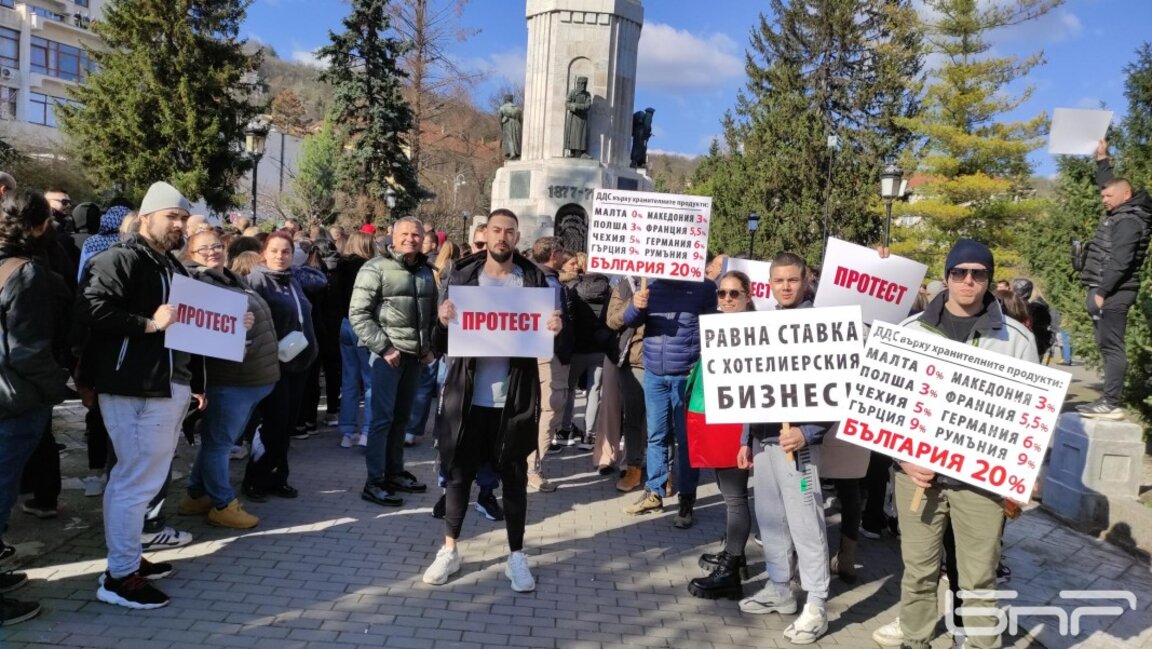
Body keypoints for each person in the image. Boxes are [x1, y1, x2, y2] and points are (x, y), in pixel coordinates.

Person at [873, 239, 1037, 649]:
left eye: (978, 273)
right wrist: (904, 458)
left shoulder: (1015, 338)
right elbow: (885, 406)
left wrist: (1025, 474)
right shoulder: (908, 331)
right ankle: (916, 640)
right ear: (946, 277)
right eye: (959, 272)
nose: (968, 280)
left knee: (979, 577)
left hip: (981, 484)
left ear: (988, 279)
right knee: (919, 572)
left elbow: (1033, 415)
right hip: (919, 480)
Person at [76, 181, 204, 609]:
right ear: (146, 216)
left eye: (184, 218)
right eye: (172, 216)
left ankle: (126, 560)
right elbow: (92, 308)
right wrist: (148, 324)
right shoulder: (119, 258)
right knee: (135, 481)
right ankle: (119, 577)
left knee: (136, 480)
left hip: (164, 385)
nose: (180, 224)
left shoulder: (171, 265)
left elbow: (189, 323)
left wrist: (226, 328)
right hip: (135, 385)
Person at [422, 209, 562, 592]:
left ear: (517, 237)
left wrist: (555, 328)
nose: (502, 237)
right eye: (496, 230)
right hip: (467, 398)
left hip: (513, 398)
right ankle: (449, 550)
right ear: (486, 234)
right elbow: (438, 344)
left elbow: (553, 342)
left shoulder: (533, 279)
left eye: (510, 232)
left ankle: (516, 556)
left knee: (514, 479)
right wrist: (442, 319)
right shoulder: (463, 275)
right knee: (458, 476)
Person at [735, 253, 833, 645]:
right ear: (770, 284)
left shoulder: (822, 326)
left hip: (799, 448)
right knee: (771, 519)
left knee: (807, 523)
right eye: (779, 281)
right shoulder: (762, 323)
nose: (787, 287)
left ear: (807, 280)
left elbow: (837, 388)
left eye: (793, 280)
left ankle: (817, 603)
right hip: (764, 442)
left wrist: (809, 431)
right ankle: (780, 588)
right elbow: (747, 386)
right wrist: (746, 437)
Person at [177, 230, 277, 529]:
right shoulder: (197, 285)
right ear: (190, 255)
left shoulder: (227, 278)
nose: (212, 251)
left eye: (218, 246)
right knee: (218, 445)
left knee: (217, 442)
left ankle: (196, 494)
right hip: (229, 381)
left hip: (248, 380)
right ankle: (222, 504)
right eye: (203, 248)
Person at [0, 189, 69, 626]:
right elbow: (26, 352)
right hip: (15, 399)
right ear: (42, 226)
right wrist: (56, 389)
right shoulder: (26, 274)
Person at [349, 216, 438, 506]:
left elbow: (431, 314)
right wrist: (384, 347)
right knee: (382, 420)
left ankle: (394, 471)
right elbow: (359, 314)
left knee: (402, 418)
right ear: (393, 235)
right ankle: (374, 481)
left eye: (416, 234)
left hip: (415, 357)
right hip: (387, 356)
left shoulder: (425, 271)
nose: (411, 238)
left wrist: (428, 347)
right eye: (405, 233)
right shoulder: (374, 268)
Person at [621, 272, 717, 523]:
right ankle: (654, 492)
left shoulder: (705, 288)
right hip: (654, 373)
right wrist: (636, 305)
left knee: (686, 442)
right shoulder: (649, 286)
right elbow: (630, 321)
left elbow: (713, 327)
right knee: (656, 436)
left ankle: (687, 499)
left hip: (686, 376)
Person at [242, 232, 326, 502]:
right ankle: (255, 479)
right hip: (272, 363)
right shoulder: (256, 280)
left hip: (298, 363)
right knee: (271, 424)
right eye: (275, 251)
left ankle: (278, 476)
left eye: (286, 252)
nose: (280, 256)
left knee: (287, 424)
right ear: (264, 253)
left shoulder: (292, 279)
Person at [686, 270, 754, 599]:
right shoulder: (718, 325)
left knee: (735, 497)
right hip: (714, 418)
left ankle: (732, 567)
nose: (726, 299)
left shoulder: (752, 330)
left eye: (734, 294)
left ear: (748, 296)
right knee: (731, 496)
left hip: (735, 425)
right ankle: (733, 554)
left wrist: (745, 437)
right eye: (722, 293)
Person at [1077, 139, 1152, 419]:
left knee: (1112, 346)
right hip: (1107, 291)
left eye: (1108, 197)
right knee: (1107, 345)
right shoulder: (1124, 211)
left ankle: (1111, 403)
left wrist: (1103, 291)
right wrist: (1102, 159)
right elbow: (1109, 184)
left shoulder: (1129, 221)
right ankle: (1109, 401)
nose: (1103, 200)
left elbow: (1121, 260)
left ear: (1126, 194)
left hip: (1114, 293)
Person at [334, 231, 376, 449]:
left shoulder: (339, 266)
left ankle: (347, 431)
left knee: (349, 380)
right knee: (370, 381)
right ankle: (367, 431)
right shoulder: (369, 268)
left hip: (344, 323)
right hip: (363, 324)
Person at [605, 276, 647, 491]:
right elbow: (611, 320)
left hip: (668, 364)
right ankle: (634, 468)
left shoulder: (676, 283)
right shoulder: (626, 284)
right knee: (633, 419)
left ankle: (665, 473)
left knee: (664, 424)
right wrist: (634, 305)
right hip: (635, 362)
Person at [564, 76, 592, 158]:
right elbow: (567, 103)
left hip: (582, 118)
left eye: (585, 84)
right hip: (573, 118)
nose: (583, 86)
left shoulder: (587, 94)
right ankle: (572, 152)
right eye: (582, 83)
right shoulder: (573, 92)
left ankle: (582, 152)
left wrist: (577, 106)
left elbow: (588, 105)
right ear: (578, 84)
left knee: (582, 135)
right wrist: (574, 107)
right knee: (572, 135)